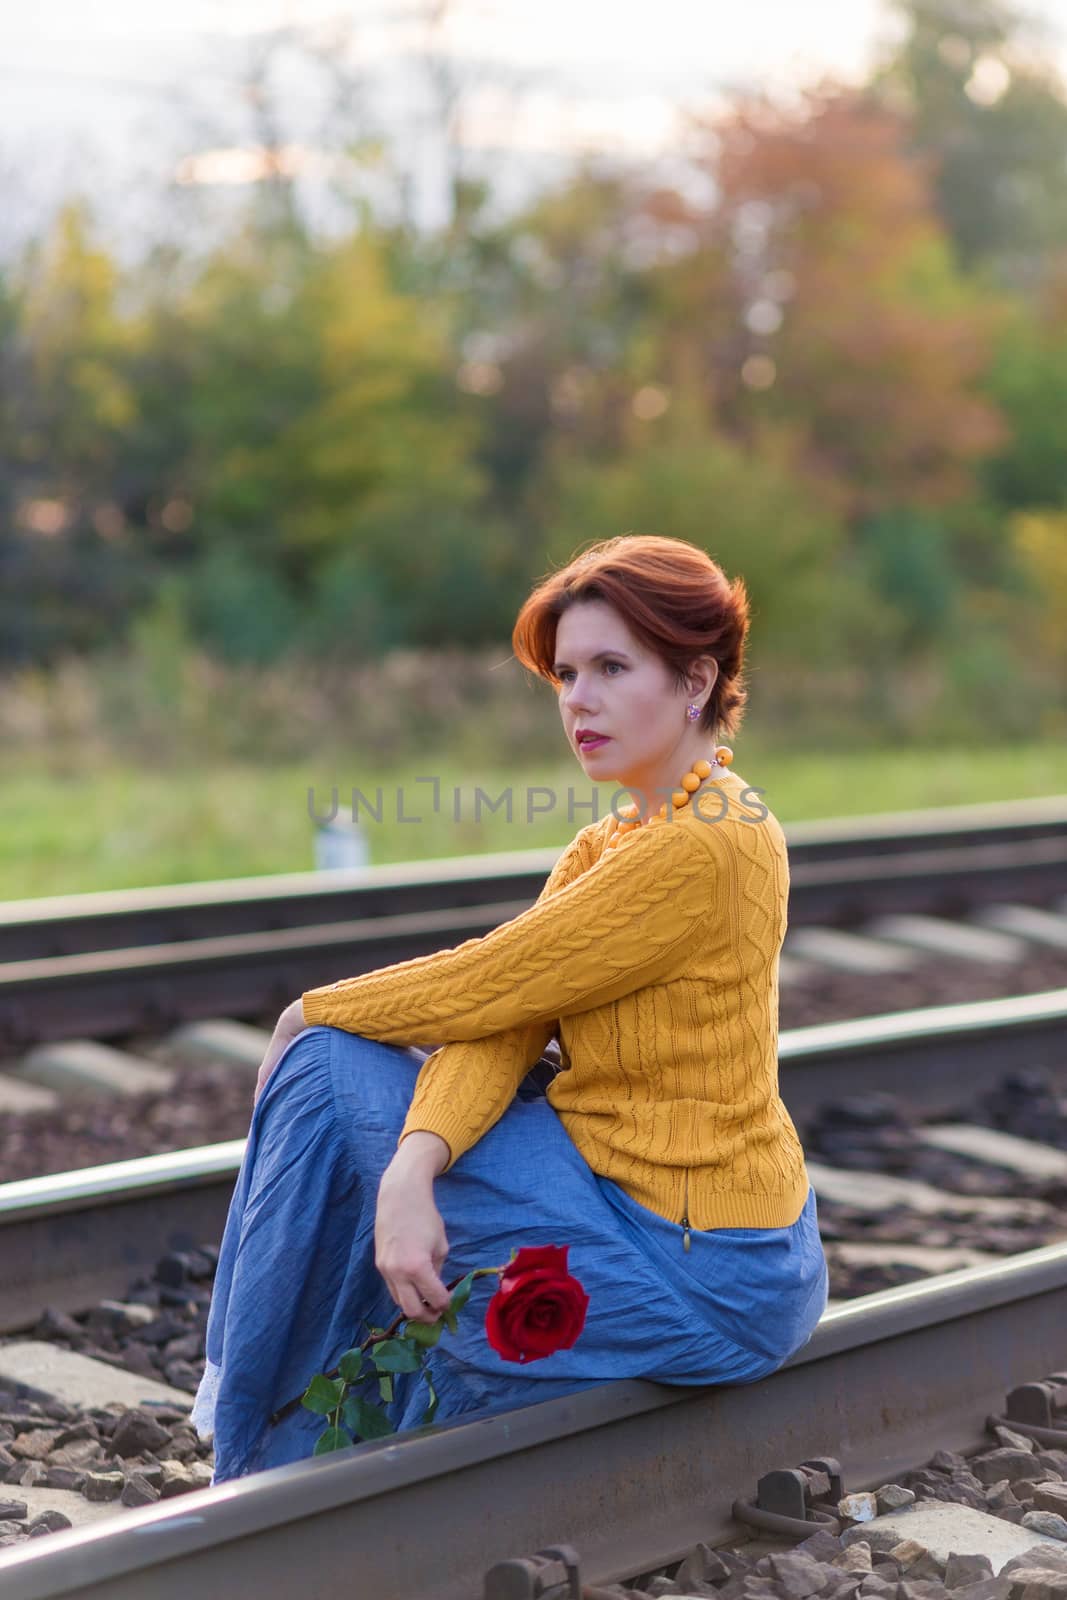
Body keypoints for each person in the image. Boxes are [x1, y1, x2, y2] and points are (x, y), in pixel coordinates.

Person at [192, 533, 828, 1481]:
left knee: (324, 1056)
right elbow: (501, 1020)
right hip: (635, 1204)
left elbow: (481, 981)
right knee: (347, 1070)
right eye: (566, 674)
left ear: (695, 681)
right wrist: (414, 1165)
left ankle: (252, 1426)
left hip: (700, 1266)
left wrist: (306, 1007)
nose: (578, 698)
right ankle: (277, 1427)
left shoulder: (709, 842)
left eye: (612, 667)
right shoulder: (612, 842)